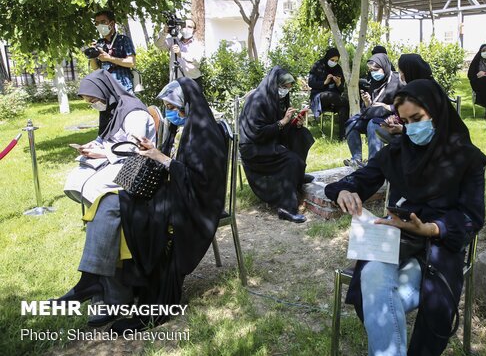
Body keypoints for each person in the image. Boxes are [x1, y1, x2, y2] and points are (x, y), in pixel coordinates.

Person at [325, 79, 486, 356]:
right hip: (395, 240)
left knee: (384, 301)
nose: (411, 128)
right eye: (406, 121)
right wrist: (344, 191)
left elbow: (472, 217)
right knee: (374, 275)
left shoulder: (466, 159)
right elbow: (360, 179)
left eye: (418, 119)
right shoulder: (398, 153)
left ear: (437, 112)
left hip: (438, 249)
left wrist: (432, 229)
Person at [57, 78, 228, 333]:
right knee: (109, 201)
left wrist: (161, 158)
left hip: (195, 206)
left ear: (188, 105)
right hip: (180, 192)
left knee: (118, 208)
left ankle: (103, 286)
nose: (173, 113)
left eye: (175, 108)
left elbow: (202, 183)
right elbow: (184, 169)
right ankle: (95, 281)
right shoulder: (192, 126)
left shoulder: (206, 133)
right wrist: (156, 153)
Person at [64, 70, 156, 208]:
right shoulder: (110, 108)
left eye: (93, 100)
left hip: (134, 163)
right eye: (89, 103)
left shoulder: (133, 112)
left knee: (93, 187)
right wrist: (93, 145)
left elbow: (134, 147)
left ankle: (110, 219)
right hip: (115, 158)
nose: (93, 105)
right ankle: (98, 215)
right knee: (74, 180)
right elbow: (105, 136)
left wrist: (103, 153)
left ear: (104, 91)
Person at [239, 66, 315, 223]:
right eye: (283, 87)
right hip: (253, 147)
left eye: (288, 88)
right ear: (273, 84)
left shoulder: (278, 99)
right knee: (291, 160)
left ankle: (297, 175)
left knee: (301, 135)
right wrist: (282, 122)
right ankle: (286, 208)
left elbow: (281, 128)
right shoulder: (257, 101)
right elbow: (257, 133)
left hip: (268, 140)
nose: (285, 91)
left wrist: (295, 123)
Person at [344, 53, 404, 168]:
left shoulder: (398, 80)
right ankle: (356, 160)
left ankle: (373, 164)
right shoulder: (372, 81)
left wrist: (387, 106)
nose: (373, 73)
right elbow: (370, 106)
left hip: (393, 117)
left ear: (385, 66)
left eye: (376, 69)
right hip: (374, 114)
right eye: (371, 70)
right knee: (351, 123)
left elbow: (405, 104)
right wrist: (367, 102)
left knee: (373, 124)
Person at [89, 10, 136, 92]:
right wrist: (92, 55)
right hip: (106, 87)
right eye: (97, 23)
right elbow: (95, 67)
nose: (100, 25)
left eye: (103, 22)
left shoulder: (123, 40)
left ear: (112, 23)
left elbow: (131, 62)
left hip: (124, 87)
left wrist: (109, 58)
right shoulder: (99, 43)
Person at [308, 47, 349, 140]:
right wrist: (325, 82)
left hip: (335, 100)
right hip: (319, 97)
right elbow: (311, 83)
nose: (334, 62)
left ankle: (343, 136)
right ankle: (349, 104)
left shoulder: (338, 69)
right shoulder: (318, 65)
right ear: (327, 58)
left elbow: (341, 89)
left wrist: (338, 84)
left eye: (336, 61)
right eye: (332, 60)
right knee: (329, 96)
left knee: (343, 108)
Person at [155, 18, 204, 84]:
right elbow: (158, 44)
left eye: (189, 27)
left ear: (194, 30)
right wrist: (164, 32)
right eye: (183, 26)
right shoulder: (174, 40)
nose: (186, 28)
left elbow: (197, 60)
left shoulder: (198, 45)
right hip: (176, 81)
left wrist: (181, 54)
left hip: (193, 81)